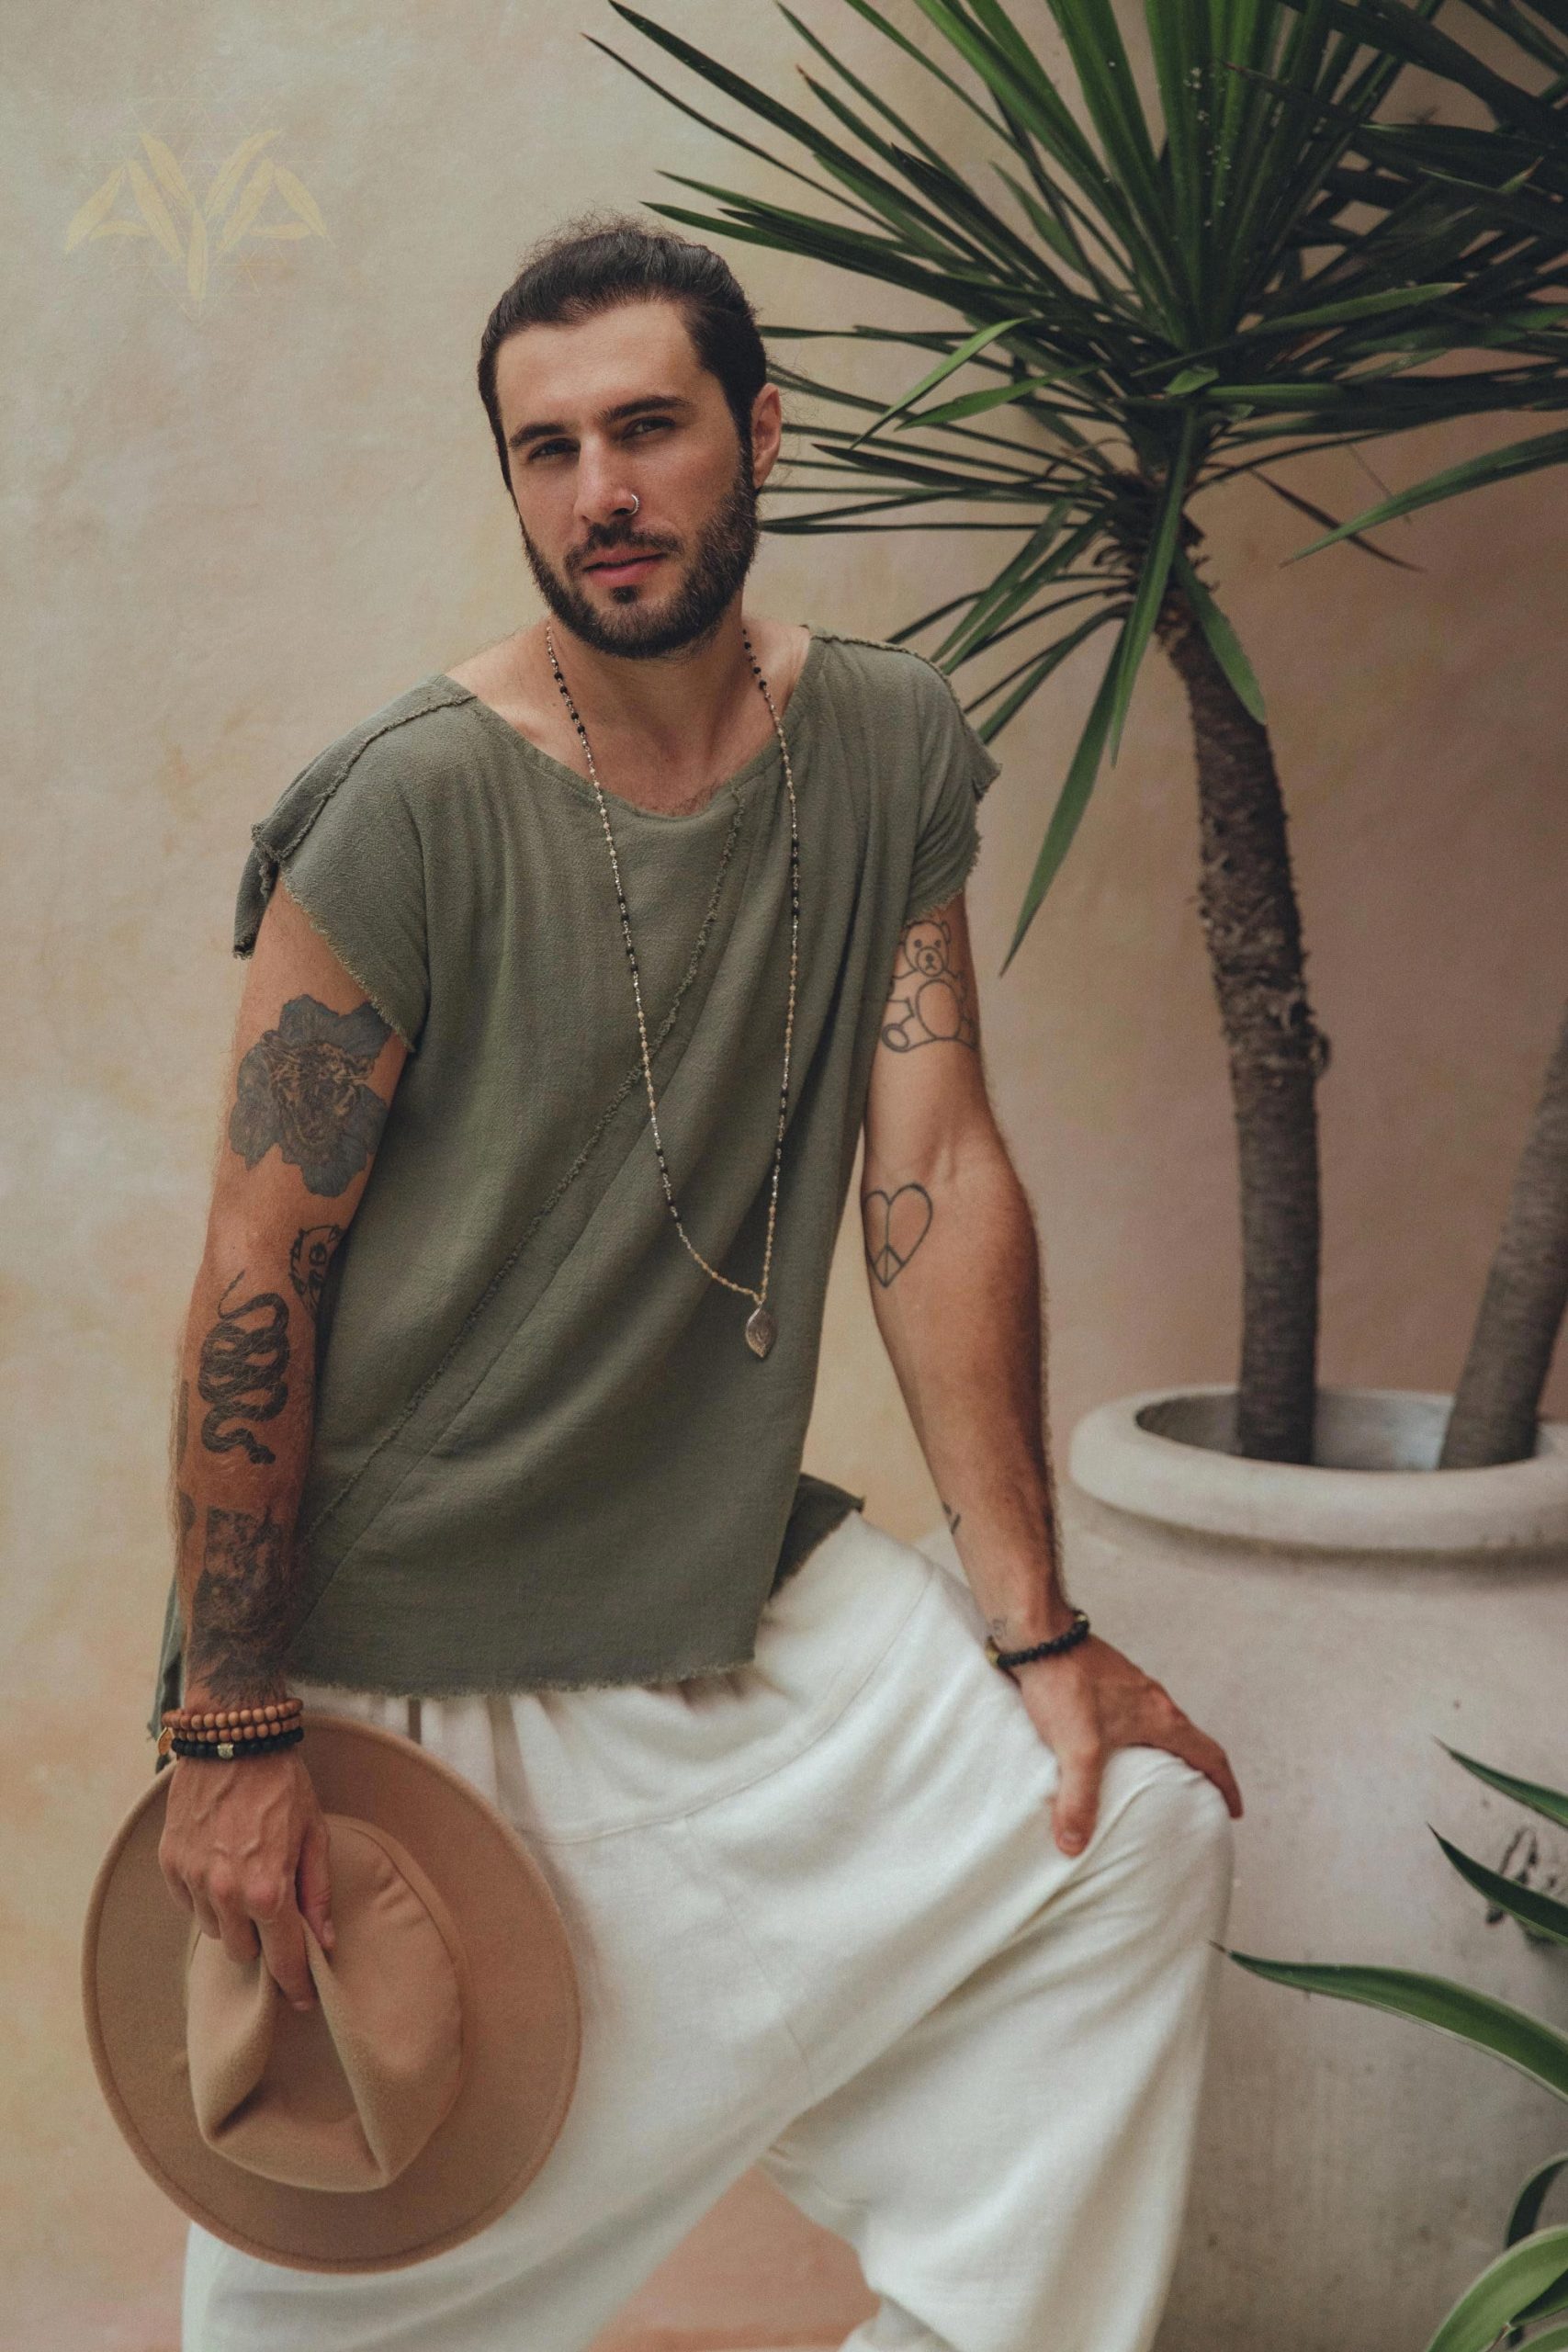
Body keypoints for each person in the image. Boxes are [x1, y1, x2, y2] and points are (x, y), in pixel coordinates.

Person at [153, 211, 1242, 2352]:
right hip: (402, 1646)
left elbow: (930, 1166)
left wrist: (1032, 1622)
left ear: (759, 429)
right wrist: (231, 1720)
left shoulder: (884, 745)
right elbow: (254, 1269)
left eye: (646, 429)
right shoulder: (403, 808)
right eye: (544, 449)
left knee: (1122, 1828)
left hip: (711, 1582)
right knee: (331, 2279)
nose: (600, 492)